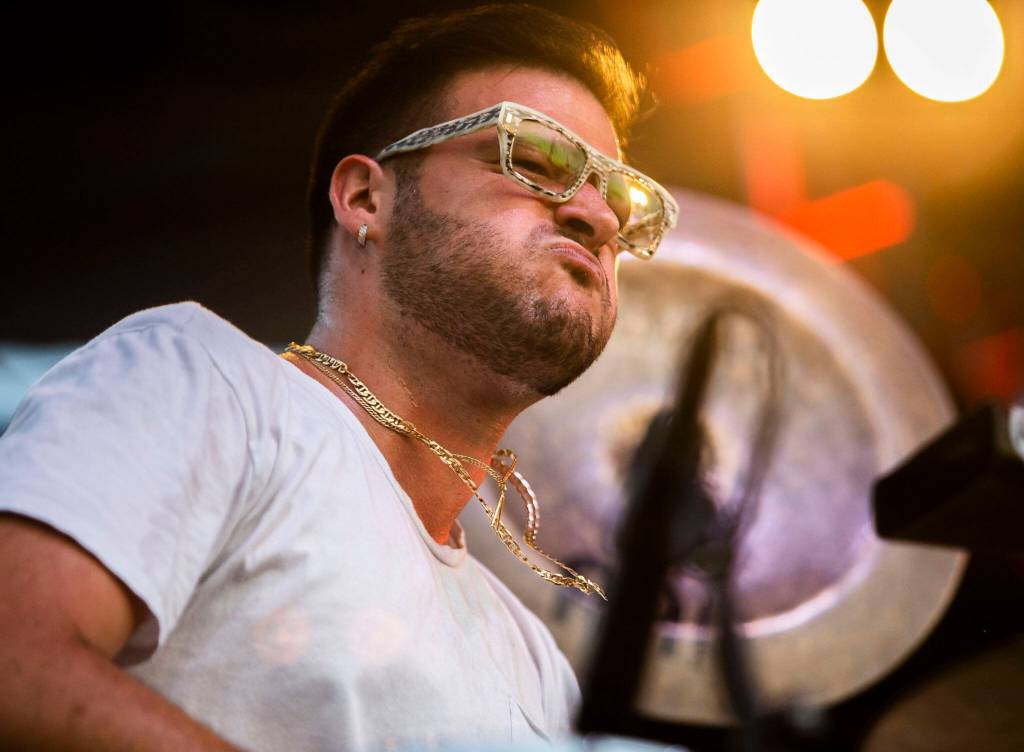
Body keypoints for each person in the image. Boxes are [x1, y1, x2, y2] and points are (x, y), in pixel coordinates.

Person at [0, 4, 677, 751]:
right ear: (365, 198)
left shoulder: (538, 664)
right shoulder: (203, 379)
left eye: (618, 201)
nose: (596, 216)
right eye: (535, 161)